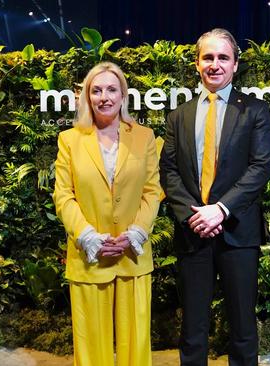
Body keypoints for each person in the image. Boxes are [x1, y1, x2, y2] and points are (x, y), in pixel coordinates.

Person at [159, 28, 270, 366]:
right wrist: (194, 216)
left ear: (235, 64)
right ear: (197, 63)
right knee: (193, 327)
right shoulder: (178, 116)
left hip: (238, 233)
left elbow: (260, 168)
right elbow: (169, 172)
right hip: (193, 232)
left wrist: (220, 210)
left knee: (242, 326)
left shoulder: (255, 111)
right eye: (208, 57)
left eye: (223, 57)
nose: (215, 64)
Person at [53, 61, 161, 366]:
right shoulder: (69, 140)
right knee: (90, 348)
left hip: (133, 256)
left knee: (135, 346)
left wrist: (136, 233)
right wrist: (89, 237)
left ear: (123, 94)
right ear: (87, 97)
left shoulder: (144, 137)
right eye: (96, 90)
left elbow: (152, 191)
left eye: (112, 89)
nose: (104, 97)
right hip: (89, 257)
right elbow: (63, 195)